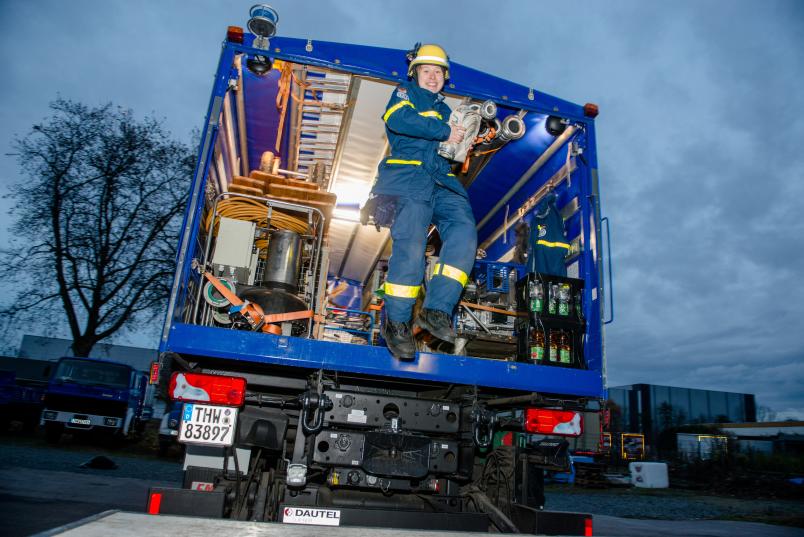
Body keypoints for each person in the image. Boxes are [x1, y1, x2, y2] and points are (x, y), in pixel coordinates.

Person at [367, 44, 477, 360]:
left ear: (445, 77)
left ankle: (437, 311)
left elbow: (454, 148)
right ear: (415, 73)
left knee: (464, 231)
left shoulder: (446, 111)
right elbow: (398, 120)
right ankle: (398, 324)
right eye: (427, 71)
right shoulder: (404, 94)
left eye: (439, 72)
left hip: (440, 178)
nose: (433, 77)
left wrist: (462, 138)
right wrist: (445, 132)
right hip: (411, 179)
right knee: (412, 247)